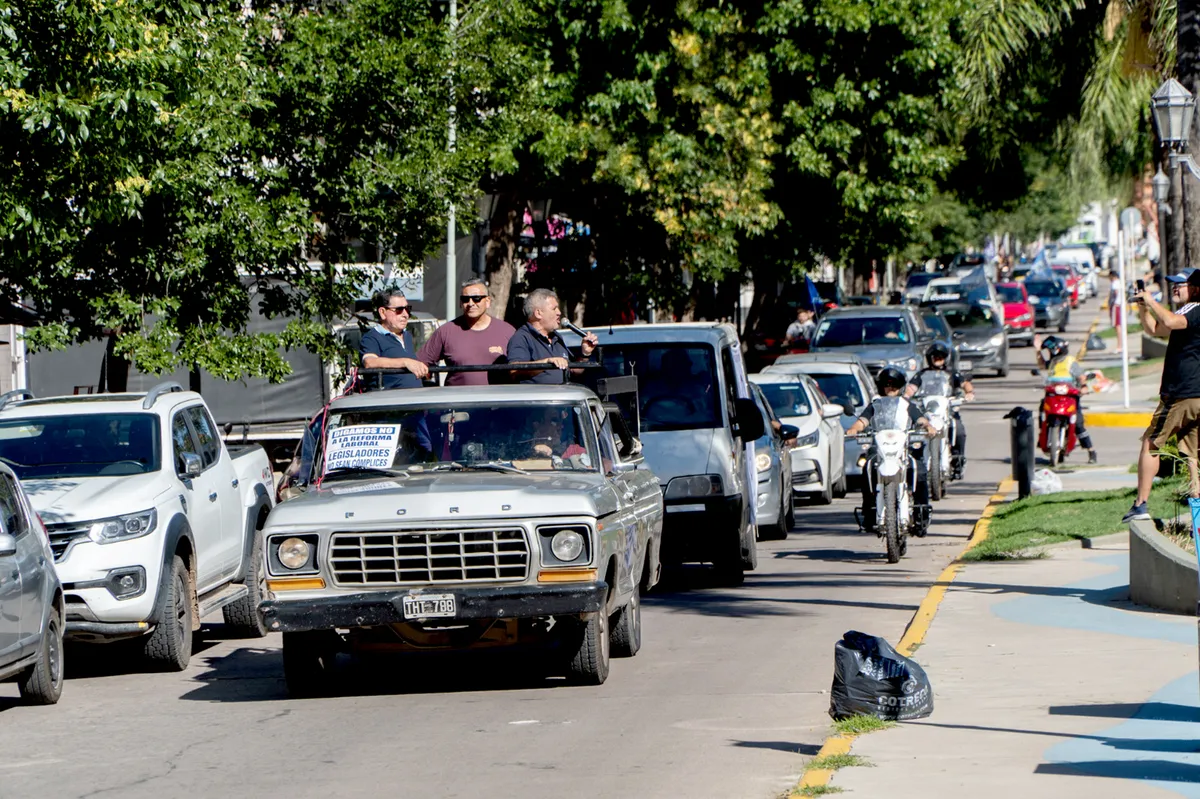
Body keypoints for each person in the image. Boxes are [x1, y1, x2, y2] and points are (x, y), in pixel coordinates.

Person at [1123, 268, 1200, 521]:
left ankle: (1140, 505)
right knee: (1191, 451)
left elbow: (1168, 322)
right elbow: (1155, 329)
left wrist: (1151, 300)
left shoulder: (1194, 309)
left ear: (1196, 288)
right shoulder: (1185, 311)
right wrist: (1143, 307)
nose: (1175, 288)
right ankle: (1197, 500)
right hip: (1193, 394)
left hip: (1181, 394)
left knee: (1151, 443)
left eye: (1181, 284)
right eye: (1173, 284)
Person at [846, 367, 937, 533]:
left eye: (895, 385)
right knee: (868, 468)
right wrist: (854, 429)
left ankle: (920, 513)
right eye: (887, 384)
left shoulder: (907, 405)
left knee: (919, 470)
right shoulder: (875, 405)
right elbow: (863, 421)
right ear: (881, 386)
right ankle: (869, 512)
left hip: (903, 449)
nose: (891, 388)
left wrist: (928, 426)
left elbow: (920, 419)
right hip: (881, 450)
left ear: (901, 387)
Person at [417, 278, 516, 386]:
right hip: (458, 400)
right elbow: (421, 362)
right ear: (460, 303)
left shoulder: (507, 331)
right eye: (465, 299)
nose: (470, 303)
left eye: (476, 298)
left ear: (487, 301)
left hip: (497, 400)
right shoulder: (446, 331)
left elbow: (521, 367)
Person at [904, 342, 974, 479]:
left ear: (946, 358)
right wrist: (906, 396)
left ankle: (957, 461)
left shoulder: (951, 373)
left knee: (959, 430)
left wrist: (969, 393)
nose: (938, 358)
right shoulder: (921, 375)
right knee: (913, 432)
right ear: (929, 358)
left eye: (941, 356)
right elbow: (911, 388)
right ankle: (915, 461)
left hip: (947, 412)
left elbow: (965, 383)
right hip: (928, 413)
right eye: (935, 356)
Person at [506, 288, 598, 384]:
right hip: (538, 398)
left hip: (562, 396)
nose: (559, 312)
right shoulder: (521, 337)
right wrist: (546, 362)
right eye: (554, 308)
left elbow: (575, 371)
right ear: (538, 313)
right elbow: (514, 370)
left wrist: (585, 354)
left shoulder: (556, 337)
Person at [1038, 335, 1098, 464]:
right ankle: (1042, 434)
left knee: (1078, 424)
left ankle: (1091, 451)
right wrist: (1037, 350)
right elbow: (1042, 365)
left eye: (1050, 351)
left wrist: (1083, 387)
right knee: (1042, 410)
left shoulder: (1070, 362)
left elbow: (1081, 377)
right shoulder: (1053, 363)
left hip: (1070, 397)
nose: (1049, 354)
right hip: (1054, 396)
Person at [359, 290, 429, 389]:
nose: (406, 314)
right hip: (391, 401)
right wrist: (405, 362)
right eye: (399, 310)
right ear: (383, 312)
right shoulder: (371, 338)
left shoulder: (407, 336)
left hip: (415, 400)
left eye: (407, 309)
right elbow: (369, 362)